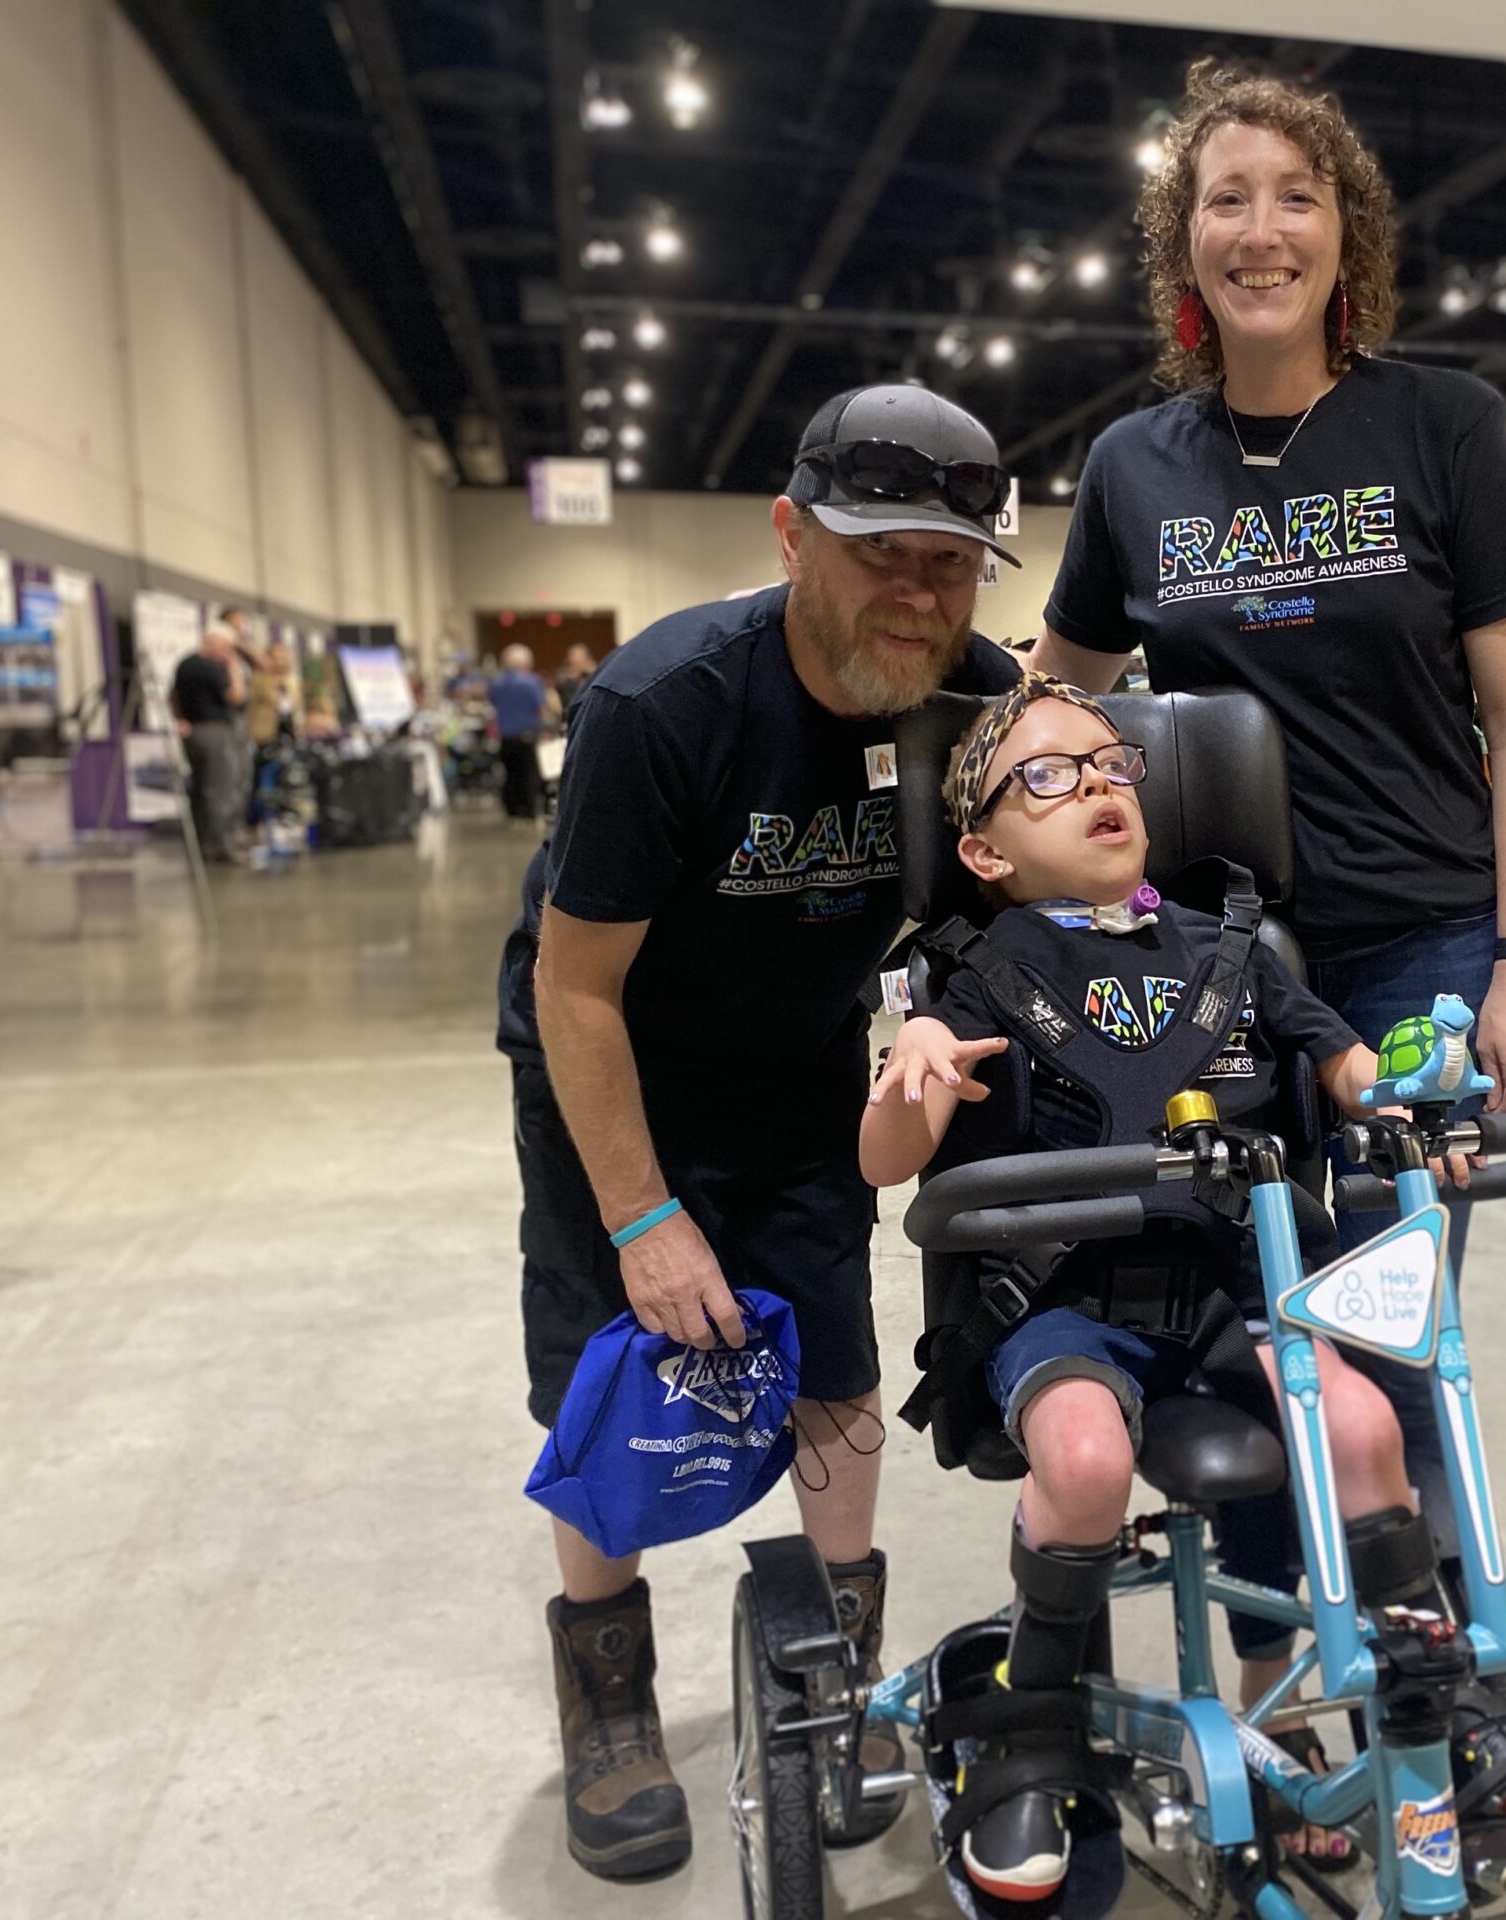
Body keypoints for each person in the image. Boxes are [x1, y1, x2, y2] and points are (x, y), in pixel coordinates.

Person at [861, 676, 1506, 1906]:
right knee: (1084, 1460)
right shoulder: (971, 973)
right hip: (1061, 1306)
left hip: (1231, 1296)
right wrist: (910, 1065)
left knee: (1364, 1423)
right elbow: (889, 1163)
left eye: (1108, 762)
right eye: (1048, 773)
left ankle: (1439, 1692)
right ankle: (1031, 1721)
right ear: (981, 849)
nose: (1095, 781)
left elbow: (1351, 1071)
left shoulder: (1237, 952)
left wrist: (1416, 1100)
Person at [1026, 59, 1506, 1574]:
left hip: (1418, 947)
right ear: (1184, 244)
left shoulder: (1443, 428)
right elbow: (1046, 698)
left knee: (1388, 1308)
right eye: (1225, 200)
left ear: (1347, 235)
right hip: (1225, 967)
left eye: (1296, 196)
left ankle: (1418, 1649)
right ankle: (1278, 1650)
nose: (1261, 229)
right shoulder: (1136, 466)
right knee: (1248, 1312)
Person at [494, 385, 1024, 1879]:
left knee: (836, 1367)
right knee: (618, 1375)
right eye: (885, 552)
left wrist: (930, 1003)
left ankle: (836, 1682)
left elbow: (994, 903)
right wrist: (646, 1218)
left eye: (952, 560)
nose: (919, 593)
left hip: (800, 1059)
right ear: (794, 535)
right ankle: (609, 1713)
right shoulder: (666, 704)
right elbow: (577, 985)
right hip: (611, 1062)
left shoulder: (974, 700)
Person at [170, 622, 249, 864]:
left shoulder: (184, 664)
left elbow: (171, 696)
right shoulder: (212, 667)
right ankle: (221, 846)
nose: (227, 653)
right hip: (215, 732)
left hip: (192, 733)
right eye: (225, 647)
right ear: (214, 643)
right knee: (221, 790)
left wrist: (181, 719)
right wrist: (234, 669)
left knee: (200, 788)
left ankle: (200, 845)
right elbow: (237, 697)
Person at [488, 643, 552, 822]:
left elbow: (493, 702)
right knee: (529, 774)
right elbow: (541, 707)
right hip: (527, 735)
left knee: (510, 774)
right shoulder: (532, 682)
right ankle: (529, 810)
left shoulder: (497, 683)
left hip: (506, 736)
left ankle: (511, 810)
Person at [554, 641, 600, 725]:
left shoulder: (593, 674)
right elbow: (568, 701)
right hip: (572, 720)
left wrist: (591, 671)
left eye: (580, 657)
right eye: (573, 657)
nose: (576, 660)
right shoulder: (565, 678)